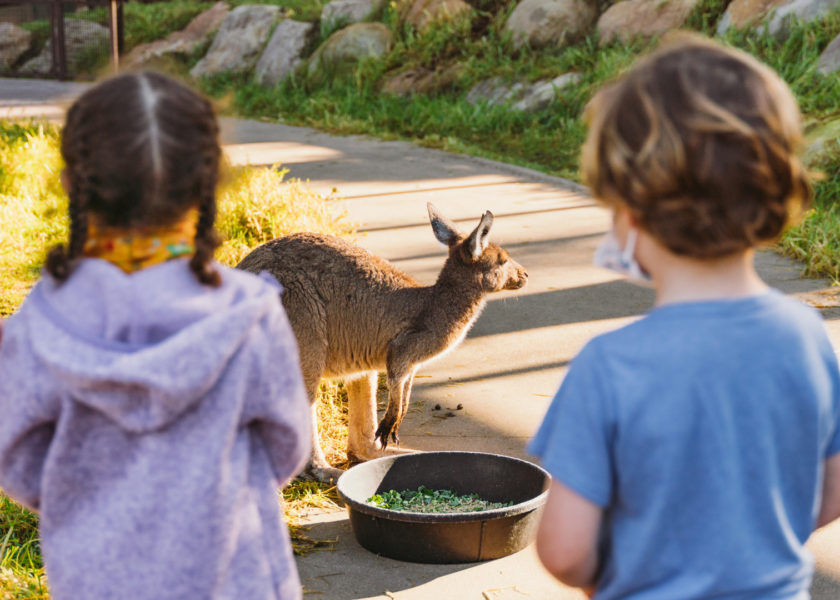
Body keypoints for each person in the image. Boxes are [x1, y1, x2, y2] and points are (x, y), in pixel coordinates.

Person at [528, 34, 840, 599]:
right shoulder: (805, 337)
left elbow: (566, 549)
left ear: (630, 212)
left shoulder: (609, 367)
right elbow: (834, 488)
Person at [0, 72, 311, 599]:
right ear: (207, 183)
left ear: (74, 183)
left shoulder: (41, 321)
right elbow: (288, 445)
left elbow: (16, 459)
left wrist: (78, 498)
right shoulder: (250, 313)